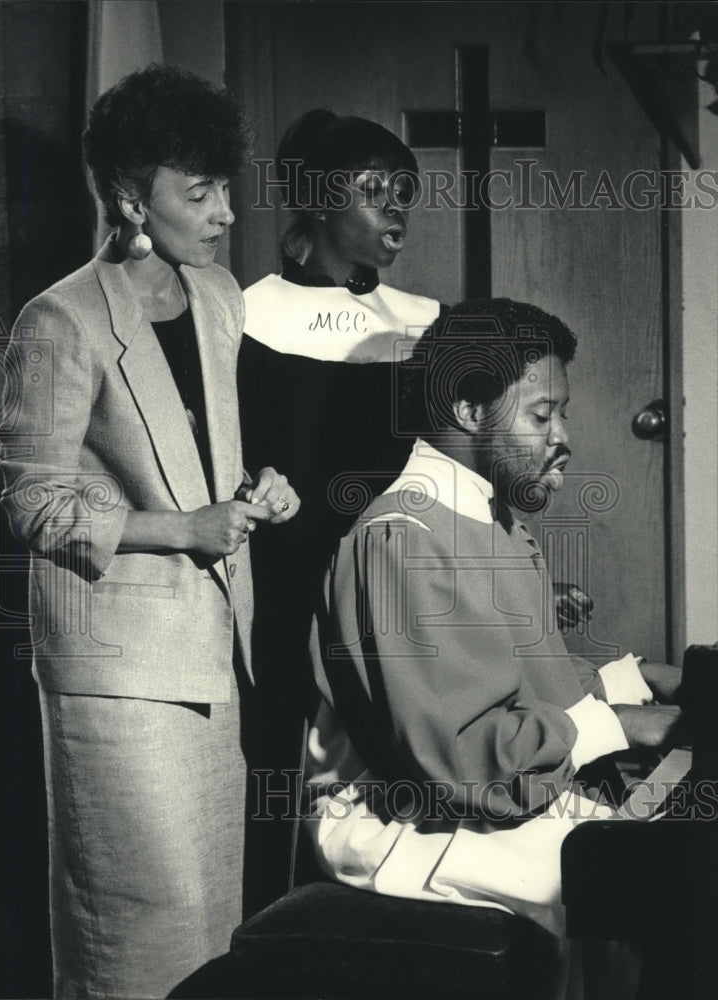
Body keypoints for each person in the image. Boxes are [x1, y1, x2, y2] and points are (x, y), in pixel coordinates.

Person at [0, 65, 299, 999]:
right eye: (198, 193)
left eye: (224, 190)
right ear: (131, 197)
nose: (224, 215)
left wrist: (260, 489)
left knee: (211, 927)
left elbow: (199, 455)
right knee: (134, 934)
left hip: (213, 653)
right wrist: (184, 529)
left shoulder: (219, 300)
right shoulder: (57, 321)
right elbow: (30, 499)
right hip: (117, 674)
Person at [304, 298, 683, 998]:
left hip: (480, 798)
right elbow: (468, 760)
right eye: (542, 415)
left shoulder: (487, 515)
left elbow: (516, 678)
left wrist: (637, 681)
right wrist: (620, 722)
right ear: (470, 409)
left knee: (654, 847)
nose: (563, 435)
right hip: (407, 824)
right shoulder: (403, 538)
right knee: (656, 882)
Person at [236, 109, 441, 908]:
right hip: (282, 585)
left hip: (392, 587)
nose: (396, 209)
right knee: (279, 778)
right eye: (373, 191)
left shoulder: (423, 324)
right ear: (317, 201)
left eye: (404, 193)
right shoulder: (242, 316)